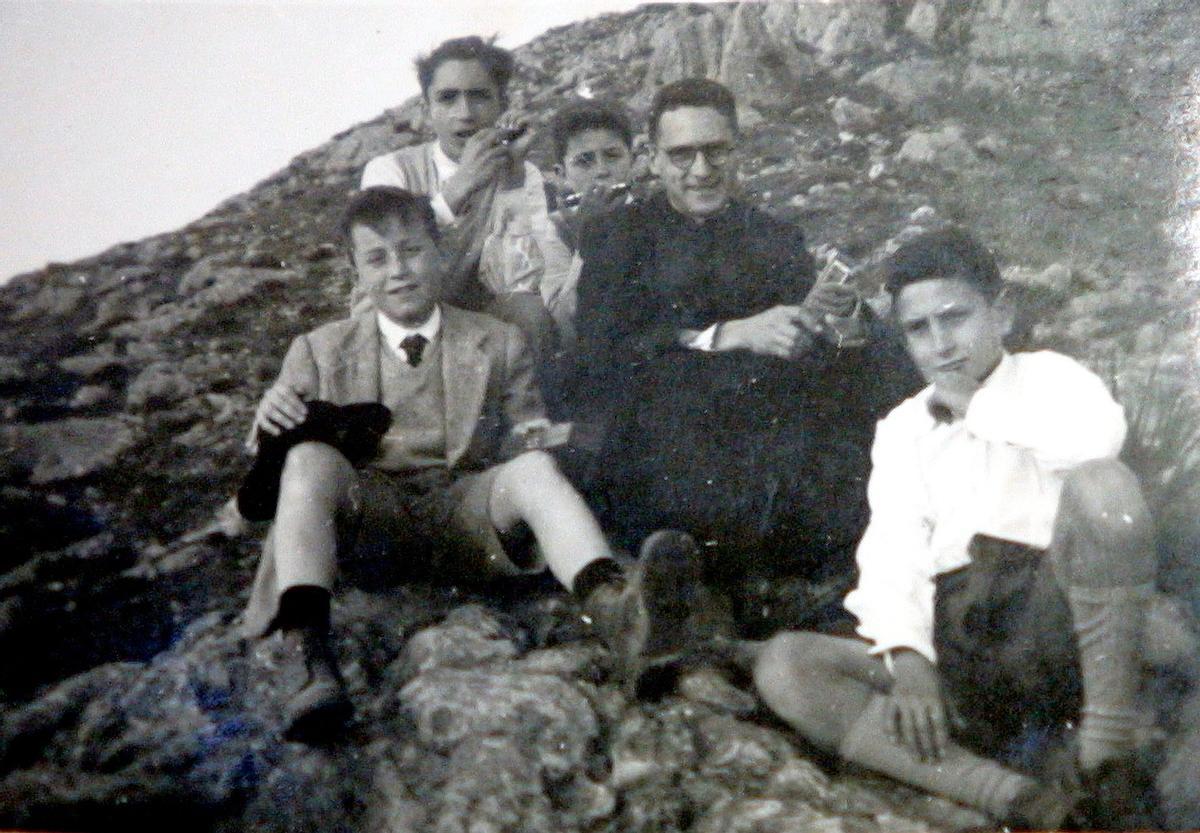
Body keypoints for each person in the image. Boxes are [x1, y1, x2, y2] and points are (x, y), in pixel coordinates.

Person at [238, 187, 700, 739]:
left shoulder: (498, 341)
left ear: (439, 251)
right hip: (372, 521)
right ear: (356, 272)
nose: (398, 271)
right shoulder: (316, 349)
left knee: (534, 473)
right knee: (310, 459)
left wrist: (542, 443)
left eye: (411, 251)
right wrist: (271, 418)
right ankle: (310, 658)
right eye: (378, 259)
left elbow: (522, 438)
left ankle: (617, 613)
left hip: (465, 515)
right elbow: (269, 476)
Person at [753, 228, 1159, 829]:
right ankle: (1023, 801)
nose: (942, 345)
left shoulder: (1053, 377)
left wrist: (976, 405)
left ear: (1001, 312)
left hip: (1060, 612)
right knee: (786, 667)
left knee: (1106, 490)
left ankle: (1105, 750)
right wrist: (909, 659)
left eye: (956, 318)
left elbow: (1095, 444)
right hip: (965, 636)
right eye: (919, 329)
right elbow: (893, 550)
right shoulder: (902, 428)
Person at [571, 78, 918, 633]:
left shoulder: (774, 236)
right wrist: (726, 334)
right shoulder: (618, 236)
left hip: (771, 423)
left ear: (738, 150)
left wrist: (839, 316)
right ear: (653, 160)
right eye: (682, 154)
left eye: (717, 150)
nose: (702, 169)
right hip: (671, 429)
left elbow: (839, 338)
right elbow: (598, 354)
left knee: (880, 379)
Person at [361, 36, 569, 392]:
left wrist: (513, 182)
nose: (465, 113)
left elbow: (526, 282)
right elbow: (390, 260)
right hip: (401, 318)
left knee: (528, 313)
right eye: (448, 98)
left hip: (480, 324)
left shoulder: (520, 173)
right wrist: (460, 186)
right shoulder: (390, 171)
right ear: (427, 110)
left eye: (479, 96)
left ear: (502, 106)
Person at [541, 99, 636, 353]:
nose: (602, 172)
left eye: (613, 156)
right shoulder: (555, 231)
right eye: (585, 161)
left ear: (633, 160)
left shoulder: (656, 216)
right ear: (561, 175)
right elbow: (565, 324)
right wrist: (588, 240)